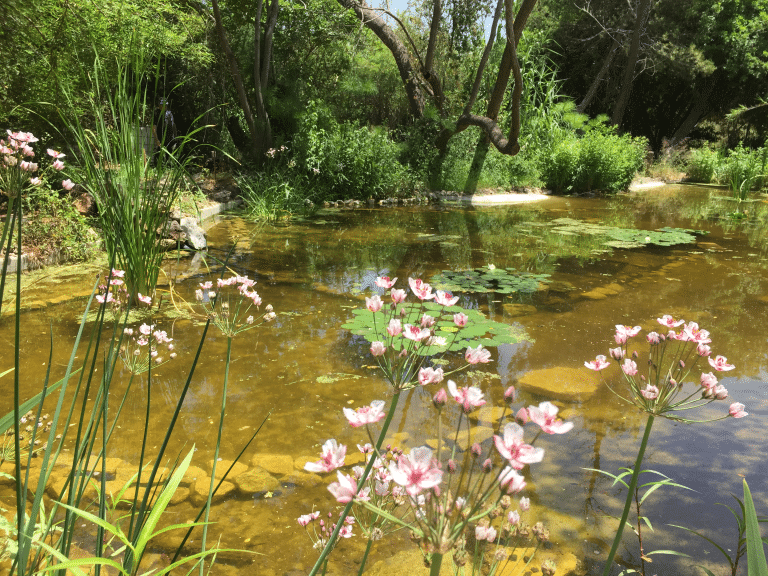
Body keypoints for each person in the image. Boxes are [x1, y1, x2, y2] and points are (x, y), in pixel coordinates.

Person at [151, 98, 177, 162]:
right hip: (160, 137)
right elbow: (153, 126)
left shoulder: (169, 113)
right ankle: (156, 168)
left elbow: (173, 125)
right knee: (159, 153)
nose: (164, 107)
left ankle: (168, 168)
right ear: (159, 105)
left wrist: (175, 137)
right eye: (162, 105)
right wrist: (156, 139)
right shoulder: (156, 113)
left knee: (169, 154)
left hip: (170, 137)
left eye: (165, 105)